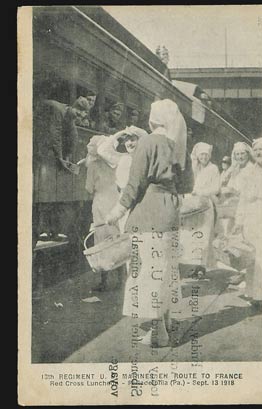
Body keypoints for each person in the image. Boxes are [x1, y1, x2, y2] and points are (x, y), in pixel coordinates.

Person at [105, 99, 193, 348]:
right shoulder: (179, 145)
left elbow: (135, 183)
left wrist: (117, 211)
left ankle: (158, 334)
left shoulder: (148, 142)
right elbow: (188, 185)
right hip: (171, 212)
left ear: (153, 119)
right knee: (166, 271)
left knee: (149, 273)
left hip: (149, 212)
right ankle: (164, 325)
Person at [32, 97, 91, 244]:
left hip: (50, 155)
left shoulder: (68, 114)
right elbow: (55, 135)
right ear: (75, 108)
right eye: (78, 114)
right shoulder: (57, 110)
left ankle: (50, 230)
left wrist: (68, 157)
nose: (77, 118)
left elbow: (73, 136)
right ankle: (42, 230)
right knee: (45, 194)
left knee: (52, 194)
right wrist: (60, 159)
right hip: (41, 152)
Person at [85, 135, 123, 291]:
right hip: (115, 203)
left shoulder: (93, 165)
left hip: (100, 205)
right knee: (118, 240)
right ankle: (121, 280)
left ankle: (104, 281)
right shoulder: (117, 164)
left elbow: (89, 188)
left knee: (102, 242)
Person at [180, 142, 220, 275]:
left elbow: (216, 188)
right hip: (193, 206)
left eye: (206, 154)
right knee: (193, 235)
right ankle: (195, 265)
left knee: (204, 235)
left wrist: (201, 192)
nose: (204, 157)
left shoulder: (213, 168)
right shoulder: (194, 168)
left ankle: (202, 267)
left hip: (205, 206)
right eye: (201, 154)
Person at [233, 138, 262, 310]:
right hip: (251, 218)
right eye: (256, 150)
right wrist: (239, 221)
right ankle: (253, 293)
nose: (259, 153)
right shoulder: (251, 171)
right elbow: (243, 199)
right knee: (251, 256)